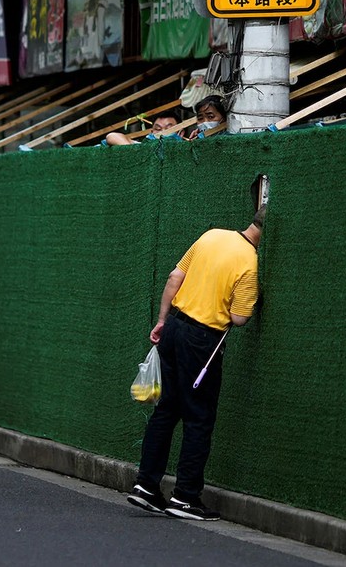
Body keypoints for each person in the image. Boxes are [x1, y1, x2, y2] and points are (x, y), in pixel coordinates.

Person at [127, 174, 269, 522]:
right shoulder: (249, 264)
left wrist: (162, 320)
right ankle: (185, 497)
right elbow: (238, 318)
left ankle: (146, 486)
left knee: (166, 411)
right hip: (202, 341)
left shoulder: (212, 236)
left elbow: (175, 277)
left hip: (174, 326)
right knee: (199, 419)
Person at [106, 114, 180, 146]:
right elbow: (111, 136)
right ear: (151, 132)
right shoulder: (144, 146)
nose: (163, 133)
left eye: (168, 129)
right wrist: (139, 152)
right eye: (158, 129)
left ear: (181, 132)